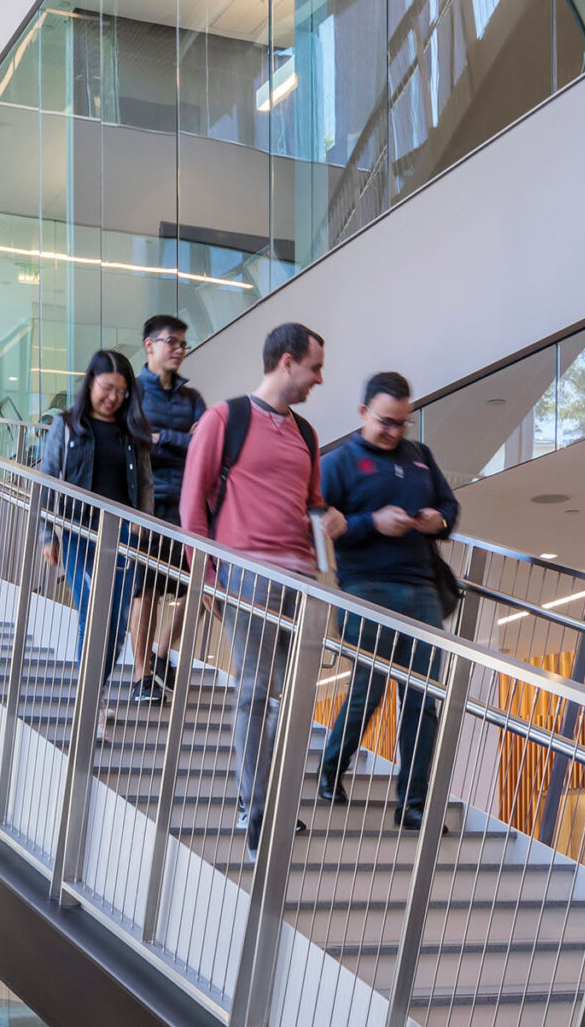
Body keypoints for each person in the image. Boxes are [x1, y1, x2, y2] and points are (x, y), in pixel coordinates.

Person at [180, 322, 346, 856]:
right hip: (246, 571)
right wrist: (204, 575)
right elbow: (191, 506)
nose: (319, 378)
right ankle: (259, 811)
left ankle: (265, 797)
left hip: (300, 577)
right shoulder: (225, 419)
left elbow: (313, 501)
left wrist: (328, 519)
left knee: (290, 697)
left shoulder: (307, 433)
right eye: (315, 366)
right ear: (287, 362)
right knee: (257, 690)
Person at [317, 370, 460, 830]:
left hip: (421, 589)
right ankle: (332, 766)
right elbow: (321, 524)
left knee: (423, 698)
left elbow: (450, 506)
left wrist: (437, 519)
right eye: (385, 421)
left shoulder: (420, 457)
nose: (394, 431)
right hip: (365, 587)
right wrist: (370, 524)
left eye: (402, 423)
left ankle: (413, 804)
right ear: (363, 414)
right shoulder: (337, 463)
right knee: (370, 688)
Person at [39, 350, 152, 684]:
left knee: (117, 619)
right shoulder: (67, 425)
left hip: (125, 538)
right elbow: (47, 479)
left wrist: (142, 522)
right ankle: (89, 698)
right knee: (93, 612)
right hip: (79, 533)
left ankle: (95, 693)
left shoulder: (133, 432)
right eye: (107, 387)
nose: (113, 397)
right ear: (90, 383)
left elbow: (145, 484)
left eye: (121, 391)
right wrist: (47, 535)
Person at [129, 313, 207, 702]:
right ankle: (143, 676)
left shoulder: (192, 398)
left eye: (182, 343)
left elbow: (204, 444)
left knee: (203, 586)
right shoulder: (134, 393)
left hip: (187, 505)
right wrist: (179, 439)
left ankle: (161, 652)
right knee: (146, 592)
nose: (179, 349)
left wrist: (164, 437)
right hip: (146, 504)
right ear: (150, 345)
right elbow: (138, 439)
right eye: (171, 342)